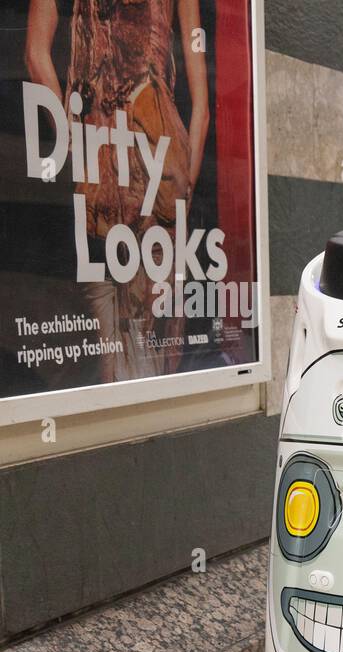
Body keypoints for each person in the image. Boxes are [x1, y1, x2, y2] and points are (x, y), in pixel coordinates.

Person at [26, 0, 209, 383]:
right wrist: (75, 143)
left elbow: (202, 106)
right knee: (117, 353)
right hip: (116, 168)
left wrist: (181, 192)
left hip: (148, 163)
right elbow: (34, 54)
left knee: (142, 349)